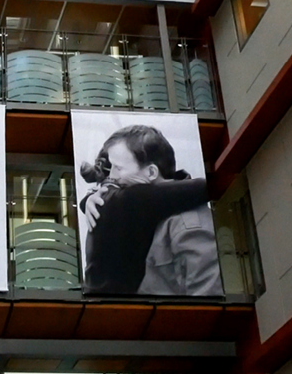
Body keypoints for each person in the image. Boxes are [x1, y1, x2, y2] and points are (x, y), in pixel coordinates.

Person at [79, 125, 211, 295]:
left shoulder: (187, 222)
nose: (112, 176)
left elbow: (206, 294)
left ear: (151, 172)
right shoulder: (123, 201)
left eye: (118, 168)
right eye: (111, 166)